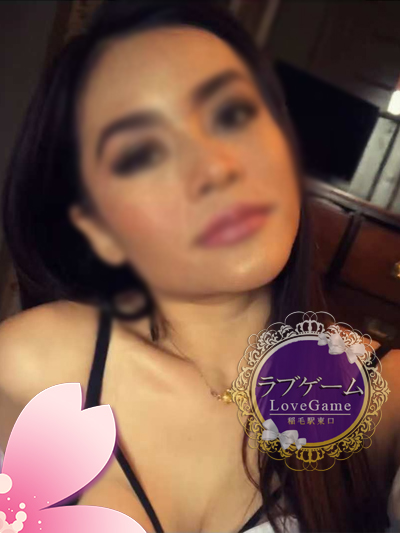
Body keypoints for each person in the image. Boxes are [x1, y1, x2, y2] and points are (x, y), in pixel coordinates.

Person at [0, 2, 399, 531]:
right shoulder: (29, 364)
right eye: (143, 153)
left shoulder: (386, 394)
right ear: (100, 229)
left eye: (232, 115)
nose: (215, 168)